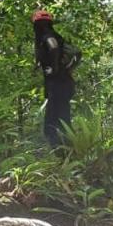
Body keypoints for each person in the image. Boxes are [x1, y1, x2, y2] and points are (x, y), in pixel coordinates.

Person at [33, 9, 75, 146]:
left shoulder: (47, 36)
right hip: (64, 84)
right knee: (63, 121)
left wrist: (54, 69)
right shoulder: (56, 36)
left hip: (58, 85)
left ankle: (62, 154)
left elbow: (53, 47)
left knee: (51, 126)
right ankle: (70, 153)